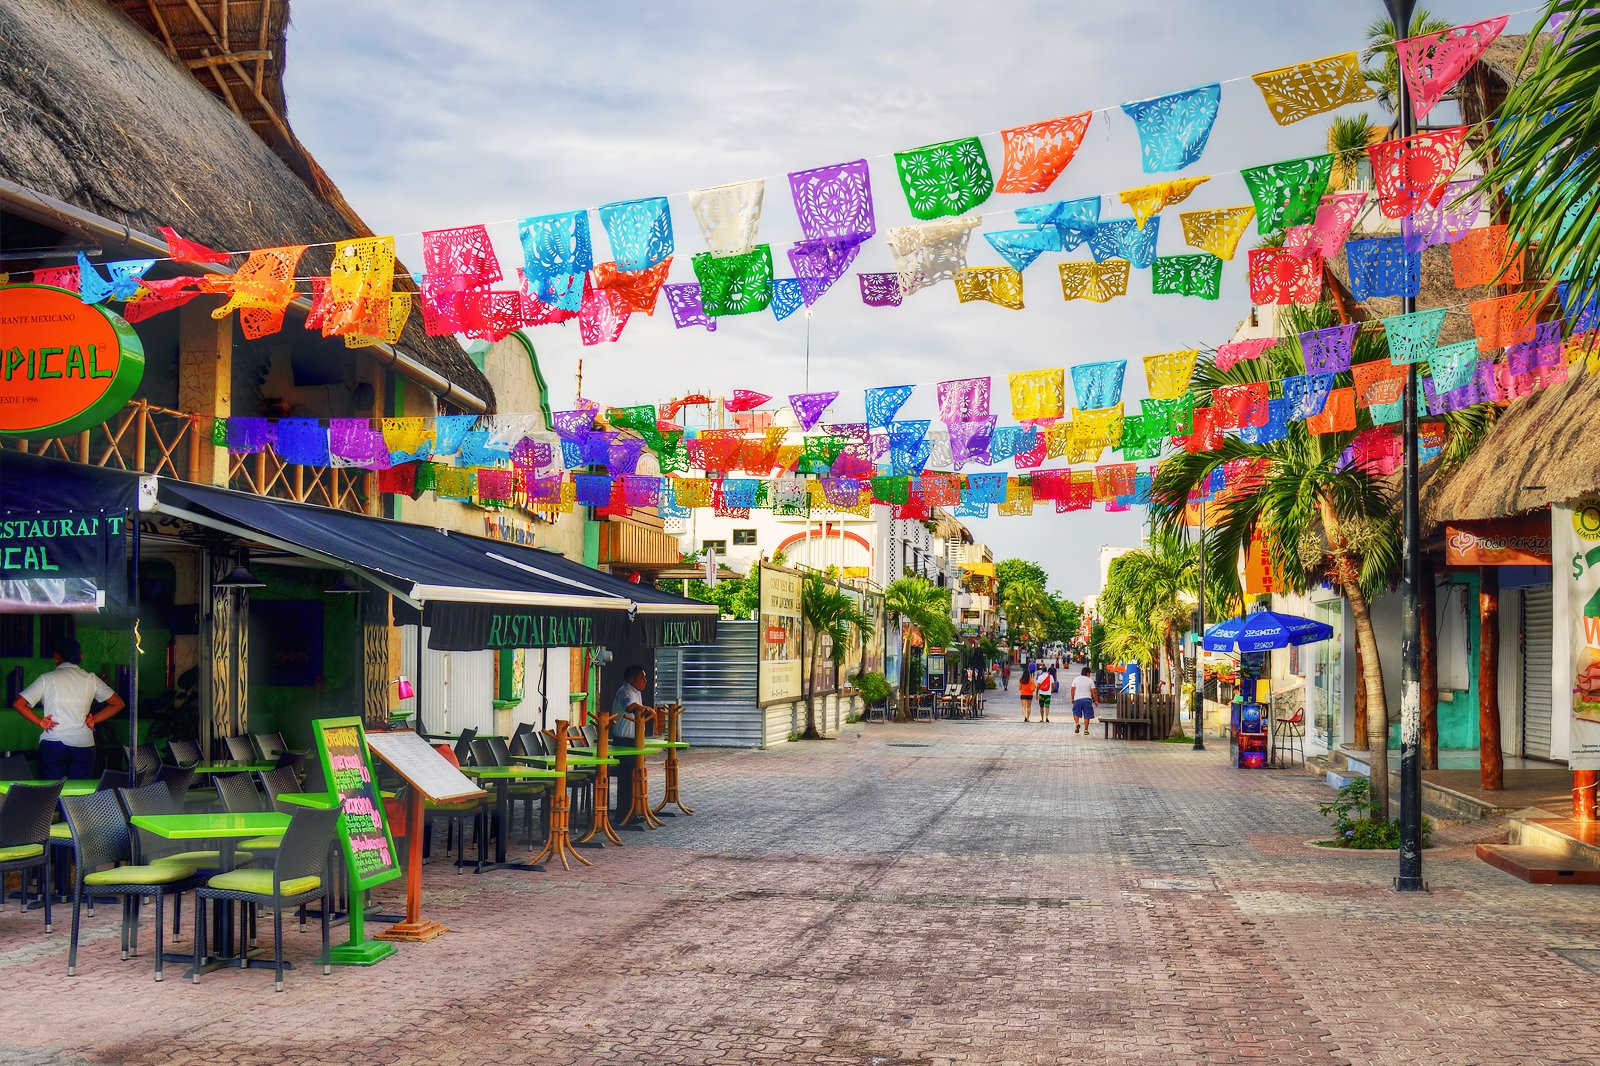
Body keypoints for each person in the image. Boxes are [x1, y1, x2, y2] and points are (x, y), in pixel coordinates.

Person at [12, 639, 122, 779]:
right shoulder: (91, 679)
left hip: (54, 743)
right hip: (84, 744)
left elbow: (18, 703)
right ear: (80, 656)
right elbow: (118, 703)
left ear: (56, 657)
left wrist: (40, 721)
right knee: (80, 793)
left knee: (51, 792)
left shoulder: (47, 679)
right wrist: (94, 719)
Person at [609, 665, 658, 820]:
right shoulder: (626, 691)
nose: (645, 681)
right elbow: (630, 707)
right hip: (624, 741)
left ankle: (634, 810)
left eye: (645, 677)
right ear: (631, 679)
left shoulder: (636, 692)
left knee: (635, 776)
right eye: (641, 677)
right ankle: (624, 814)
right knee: (627, 778)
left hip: (635, 741)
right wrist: (647, 709)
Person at [1071, 666, 1097, 735]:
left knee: (1076, 713)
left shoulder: (1076, 679)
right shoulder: (1090, 680)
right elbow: (1094, 691)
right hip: (1087, 699)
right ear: (1088, 673)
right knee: (1087, 715)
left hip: (1077, 699)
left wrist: (1072, 698)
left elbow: (1072, 689)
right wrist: (1096, 700)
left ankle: (1077, 723)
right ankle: (1086, 730)